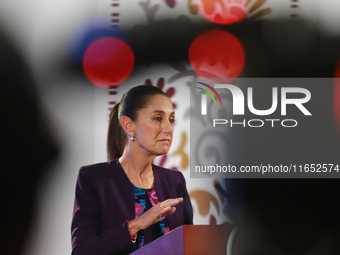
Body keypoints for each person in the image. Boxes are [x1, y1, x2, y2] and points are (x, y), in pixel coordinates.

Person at [71, 85, 193, 255]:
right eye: (158, 118)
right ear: (128, 125)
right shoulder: (94, 178)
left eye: (171, 120)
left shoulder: (175, 180)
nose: (169, 128)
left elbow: (189, 245)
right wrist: (139, 223)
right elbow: (82, 251)